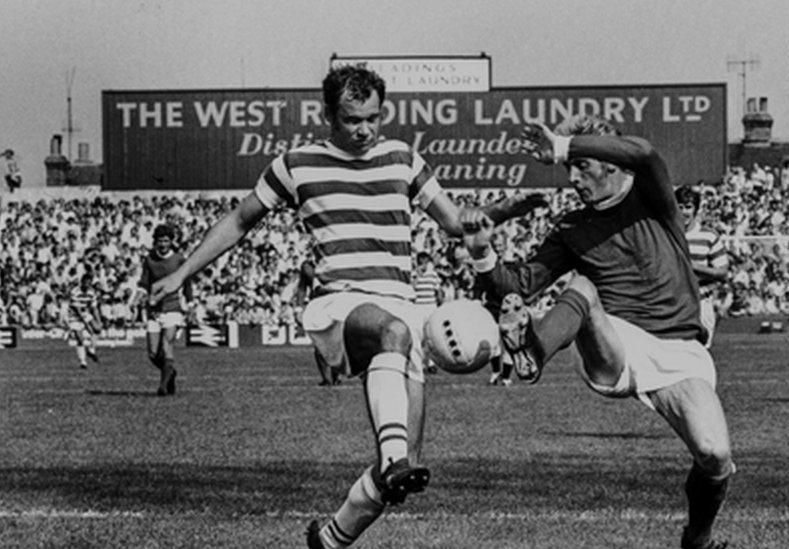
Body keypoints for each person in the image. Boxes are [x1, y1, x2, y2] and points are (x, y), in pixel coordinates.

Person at [149, 64, 541, 549]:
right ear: (328, 114)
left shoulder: (403, 158)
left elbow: (457, 222)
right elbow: (238, 220)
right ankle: (393, 455)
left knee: (406, 465)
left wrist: (502, 211)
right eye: (353, 119)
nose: (365, 129)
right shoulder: (297, 164)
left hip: (401, 306)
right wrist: (181, 272)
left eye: (374, 117)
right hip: (342, 303)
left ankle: (331, 538)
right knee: (392, 339)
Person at [461, 115, 733, 549]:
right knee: (583, 287)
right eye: (569, 169)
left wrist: (563, 146)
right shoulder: (571, 228)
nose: (572, 178)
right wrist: (481, 255)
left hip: (680, 349)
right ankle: (533, 352)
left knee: (715, 455)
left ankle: (696, 539)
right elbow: (519, 286)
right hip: (614, 338)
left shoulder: (650, 194)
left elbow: (642, 152)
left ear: (610, 162)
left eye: (581, 166)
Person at [139, 224, 191, 396]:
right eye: (160, 241)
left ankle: (162, 387)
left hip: (173, 307)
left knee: (166, 343)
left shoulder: (178, 259)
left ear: (171, 241)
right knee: (153, 353)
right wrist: (140, 296)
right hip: (154, 309)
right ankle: (170, 373)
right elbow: (144, 282)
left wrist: (189, 302)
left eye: (166, 241)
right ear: (155, 241)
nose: (162, 244)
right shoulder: (149, 259)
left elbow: (186, 280)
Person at [675, 185, 728, 349]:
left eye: (688, 207)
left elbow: (722, 272)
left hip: (701, 302)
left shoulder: (709, 236)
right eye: (680, 206)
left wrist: (692, 266)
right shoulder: (666, 234)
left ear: (696, 209)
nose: (684, 212)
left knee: (701, 355)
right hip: (673, 304)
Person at [295, 254, 345, 387]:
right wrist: (298, 309)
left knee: (337, 342)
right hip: (317, 305)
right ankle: (326, 379)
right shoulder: (307, 266)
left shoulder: (334, 262)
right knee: (319, 344)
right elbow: (302, 287)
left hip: (335, 302)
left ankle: (336, 376)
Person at [65, 274, 102, 369]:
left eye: (89, 283)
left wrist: (99, 321)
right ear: (82, 282)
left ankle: (91, 350)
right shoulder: (75, 291)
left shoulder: (92, 292)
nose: (87, 285)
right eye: (86, 283)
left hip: (85, 313)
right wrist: (87, 325)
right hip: (74, 316)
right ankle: (83, 362)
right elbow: (77, 310)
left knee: (97, 329)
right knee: (80, 338)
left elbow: (94, 308)